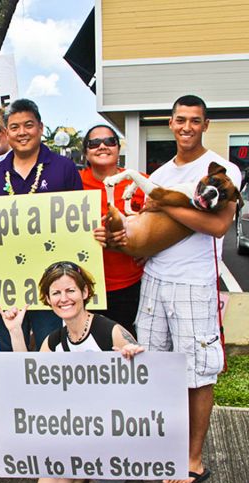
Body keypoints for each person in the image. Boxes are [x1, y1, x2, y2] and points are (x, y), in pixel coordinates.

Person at [134, 95, 241, 483]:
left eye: (195, 121)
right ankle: (164, 448)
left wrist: (165, 202)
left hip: (194, 284)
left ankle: (193, 460)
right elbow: (147, 226)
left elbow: (217, 226)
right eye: (180, 120)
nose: (186, 127)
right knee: (156, 372)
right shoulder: (161, 172)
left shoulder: (222, 170)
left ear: (205, 125)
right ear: (170, 123)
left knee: (197, 374)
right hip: (155, 280)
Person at [0, 261, 143, 483]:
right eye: (56, 293)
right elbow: (28, 380)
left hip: (112, 430)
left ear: (85, 293)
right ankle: (88, 468)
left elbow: (149, 382)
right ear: (48, 299)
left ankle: (105, 477)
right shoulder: (54, 341)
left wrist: (134, 358)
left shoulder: (110, 332)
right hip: (78, 430)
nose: (64, 298)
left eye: (70, 291)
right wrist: (15, 332)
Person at [0, 98, 83, 352]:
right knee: (10, 351)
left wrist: (93, 232)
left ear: (40, 127)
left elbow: (80, 222)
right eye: (15, 127)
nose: (22, 133)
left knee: (50, 348)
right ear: (8, 132)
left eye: (28, 125)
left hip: (50, 283)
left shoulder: (64, 168)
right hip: (5, 284)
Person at [83, 125, 146, 334]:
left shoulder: (139, 182)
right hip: (85, 286)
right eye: (94, 143)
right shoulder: (73, 183)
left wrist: (149, 250)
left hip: (131, 283)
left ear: (119, 149)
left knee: (129, 347)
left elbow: (158, 224)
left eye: (109, 141)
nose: (102, 146)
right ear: (86, 151)